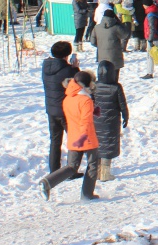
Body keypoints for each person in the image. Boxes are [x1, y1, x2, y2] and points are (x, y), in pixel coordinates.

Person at [41, 71, 100, 201]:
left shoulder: (68, 98)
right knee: (93, 164)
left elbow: (76, 114)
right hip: (86, 137)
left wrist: (93, 111)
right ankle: (87, 194)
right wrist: (84, 137)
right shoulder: (85, 100)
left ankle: (48, 182)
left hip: (73, 135)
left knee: (72, 166)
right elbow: (85, 121)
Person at [41, 41, 79, 173]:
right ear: (67, 55)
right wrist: (75, 69)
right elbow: (77, 86)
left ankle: (54, 170)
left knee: (55, 141)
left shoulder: (45, 67)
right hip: (66, 111)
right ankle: (70, 170)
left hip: (51, 110)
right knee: (73, 140)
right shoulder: (68, 70)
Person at [93, 61, 129, 181]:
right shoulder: (116, 87)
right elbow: (122, 104)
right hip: (111, 121)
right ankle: (105, 173)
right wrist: (125, 115)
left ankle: (97, 171)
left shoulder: (95, 86)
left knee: (98, 144)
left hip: (97, 120)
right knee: (108, 146)